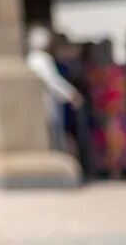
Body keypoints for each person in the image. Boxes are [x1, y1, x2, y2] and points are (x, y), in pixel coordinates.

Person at [25, 25, 83, 156]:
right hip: (47, 105)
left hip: (41, 106)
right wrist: (71, 94)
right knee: (53, 141)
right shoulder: (41, 59)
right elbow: (53, 81)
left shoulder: (30, 59)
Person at [83, 39, 126, 179]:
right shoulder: (102, 70)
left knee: (114, 139)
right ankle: (111, 167)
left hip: (111, 108)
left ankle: (116, 167)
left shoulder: (106, 71)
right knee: (108, 139)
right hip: (107, 108)